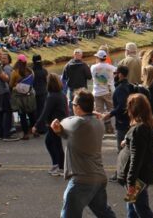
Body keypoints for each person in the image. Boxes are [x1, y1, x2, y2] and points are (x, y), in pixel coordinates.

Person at [51, 90, 116, 218]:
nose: (71, 106)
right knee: (104, 213)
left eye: (73, 104)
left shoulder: (77, 123)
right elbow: (68, 135)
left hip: (82, 180)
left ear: (79, 108)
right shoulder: (98, 122)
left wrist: (58, 129)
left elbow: (63, 122)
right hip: (98, 177)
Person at [116, 94, 153, 217]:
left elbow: (136, 158)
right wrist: (127, 141)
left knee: (141, 209)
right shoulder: (148, 125)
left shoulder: (139, 129)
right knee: (132, 208)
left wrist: (131, 183)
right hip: (142, 176)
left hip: (138, 178)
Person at [33, 73, 67, 177]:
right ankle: (58, 165)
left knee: (52, 143)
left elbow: (45, 112)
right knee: (55, 144)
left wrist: (36, 126)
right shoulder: (61, 94)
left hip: (54, 124)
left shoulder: (52, 97)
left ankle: (59, 166)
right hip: (60, 122)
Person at [0, 48, 18, 141]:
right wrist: (8, 76)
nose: (1, 56)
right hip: (2, 91)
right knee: (7, 112)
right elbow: (5, 78)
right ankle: (6, 134)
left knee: (0, 113)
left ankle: (0, 134)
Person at [9, 54, 36, 140]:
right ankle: (35, 131)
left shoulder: (15, 72)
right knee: (31, 114)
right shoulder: (30, 71)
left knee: (22, 115)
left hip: (19, 96)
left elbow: (11, 84)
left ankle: (25, 134)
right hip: (29, 95)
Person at [91, 50, 117, 134]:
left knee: (99, 112)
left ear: (98, 58)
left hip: (97, 92)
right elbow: (116, 73)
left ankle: (103, 129)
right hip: (108, 91)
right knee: (111, 109)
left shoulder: (93, 67)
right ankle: (111, 127)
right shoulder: (111, 68)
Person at [31, 55, 49, 135]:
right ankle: (42, 127)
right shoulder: (44, 71)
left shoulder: (31, 71)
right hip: (43, 92)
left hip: (33, 92)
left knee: (35, 110)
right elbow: (46, 82)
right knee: (42, 110)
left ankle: (35, 127)